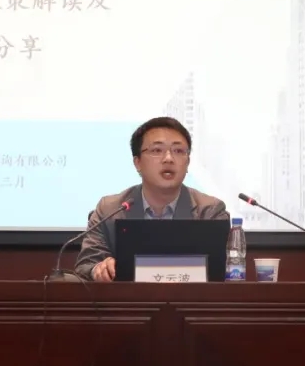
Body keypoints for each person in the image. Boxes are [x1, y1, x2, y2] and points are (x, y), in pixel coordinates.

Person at [74, 116, 229, 282]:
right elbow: (85, 266)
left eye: (178, 151)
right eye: (157, 150)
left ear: (187, 162)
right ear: (137, 163)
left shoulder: (209, 211)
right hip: (127, 299)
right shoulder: (110, 210)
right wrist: (98, 269)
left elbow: (223, 272)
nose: (168, 158)